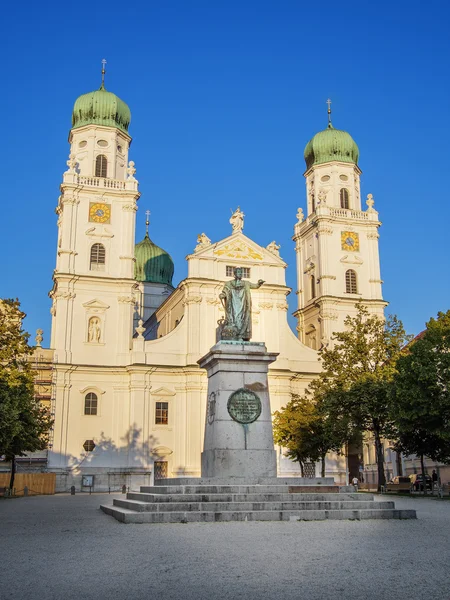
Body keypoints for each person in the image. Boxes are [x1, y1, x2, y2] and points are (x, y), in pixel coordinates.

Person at [219, 267, 264, 341]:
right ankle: (233, 335)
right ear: (235, 274)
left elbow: (255, 286)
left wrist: (259, 283)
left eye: (241, 273)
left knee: (242, 319)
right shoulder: (229, 283)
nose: (240, 274)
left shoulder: (246, 283)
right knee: (234, 319)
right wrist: (222, 295)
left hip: (243, 305)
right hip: (233, 305)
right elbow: (225, 291)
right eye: (238, 272)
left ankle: (241, 335)